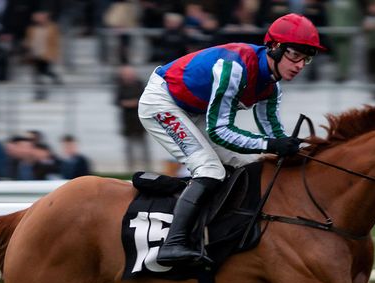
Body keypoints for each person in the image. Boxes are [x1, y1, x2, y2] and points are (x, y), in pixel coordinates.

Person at [137, 13, 324, 265]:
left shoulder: (271, 86)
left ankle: (221, 231)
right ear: (275, 48)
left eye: (307, 58)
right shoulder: (234, 68)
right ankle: (173, 243)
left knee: (248, 166)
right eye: (295, 55)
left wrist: (295, 149)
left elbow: (273, 132)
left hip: (194, 110)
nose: (300, 65)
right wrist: (271, 145)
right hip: (162, 103)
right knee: (210, 169)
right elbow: (220, 131)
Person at [114, 64, 150, 171]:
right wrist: (132, 103)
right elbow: (118, 101)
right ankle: (130, 167)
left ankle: (146, 167)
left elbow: (143, 99)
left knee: (143, 145)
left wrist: (130, 103)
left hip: (140, 120)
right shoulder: (120, 86)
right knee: (129, 146)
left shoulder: (139, 84)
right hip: (127, 121)